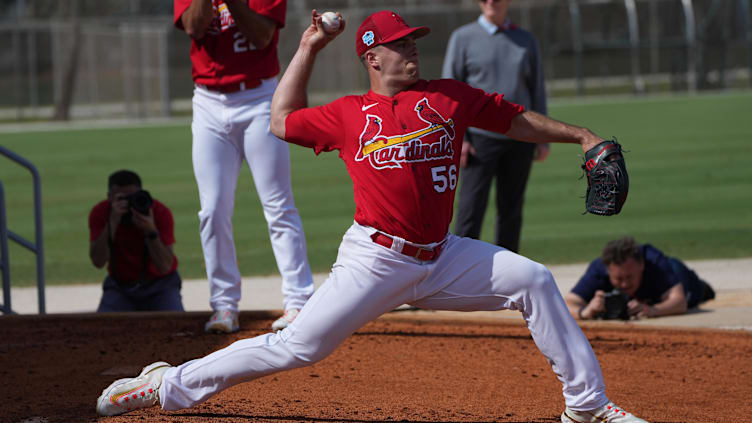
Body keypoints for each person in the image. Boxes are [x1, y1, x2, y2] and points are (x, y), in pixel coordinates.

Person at [96, 11, 648, 423]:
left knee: (532, 279)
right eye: (400, 43)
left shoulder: (447, 98)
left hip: (443, 255)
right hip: (376, 259)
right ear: (372, 56)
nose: (412, 49)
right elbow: (282, 120)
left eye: (412, 41)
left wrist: (582, 135)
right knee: (297, 348)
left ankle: (587, 406)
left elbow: (516, 120)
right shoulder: (348, 115)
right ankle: (167, 385)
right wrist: (310, 45)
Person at [174, 0, 314, 333]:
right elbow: (193, 27)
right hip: (208, 101)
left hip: (259, 98)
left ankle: (299, 301)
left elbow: (262, 36)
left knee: (278, 203)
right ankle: (223, 305)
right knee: (212, 209)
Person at [442, 0, 549, 253]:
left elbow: (536, 89)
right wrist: (460, 139)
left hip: (520, 137)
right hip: (479, 140)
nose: (491, 2)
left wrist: (542, 137)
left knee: (511, 210)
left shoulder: (525, 39)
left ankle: (507, 275)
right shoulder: (463, 38)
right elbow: (450, 93)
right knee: (470, 210)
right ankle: (462, 272)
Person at [89, 170, 184, 312]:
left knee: (175, 326)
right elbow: (98, 262)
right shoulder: (101, 213)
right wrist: (112, 222)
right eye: (121, 199)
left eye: (132, 198)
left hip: (161, 286)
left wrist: (151, 231)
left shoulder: (159, 212)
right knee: (103, 329)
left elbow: (165, 267)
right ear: (109, 198)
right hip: (120, 287)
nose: (127, 204)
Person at [565, 236, 715, 320]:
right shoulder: (599, 268)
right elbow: (568, 303)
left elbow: (679, 302)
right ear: (608, 270)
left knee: (689, 288)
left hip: (681, 280)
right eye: (618, 279)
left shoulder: (654, 262)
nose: (624, 284)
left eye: (629, 277)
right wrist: (585, 311)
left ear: (641, 264)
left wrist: (652, 310)